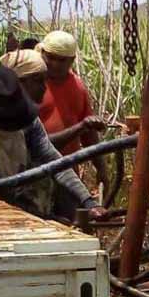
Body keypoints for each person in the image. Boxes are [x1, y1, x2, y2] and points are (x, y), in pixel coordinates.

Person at [0, 64, 106, 222]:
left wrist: (89, 202)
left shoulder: (26, 121)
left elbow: (54, 162)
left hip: (15, 192)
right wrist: (49, 220)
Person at [36, 30, 109, 190]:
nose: (54, 64)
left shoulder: (77, 87)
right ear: (42, 54)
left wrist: (101, 167)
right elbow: (35, 143)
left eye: (61, 60)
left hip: (67, 174)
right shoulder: (32, 84)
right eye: (50, 57)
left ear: (72, 60)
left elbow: (88, 134)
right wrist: (81, 127)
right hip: (35, 174)